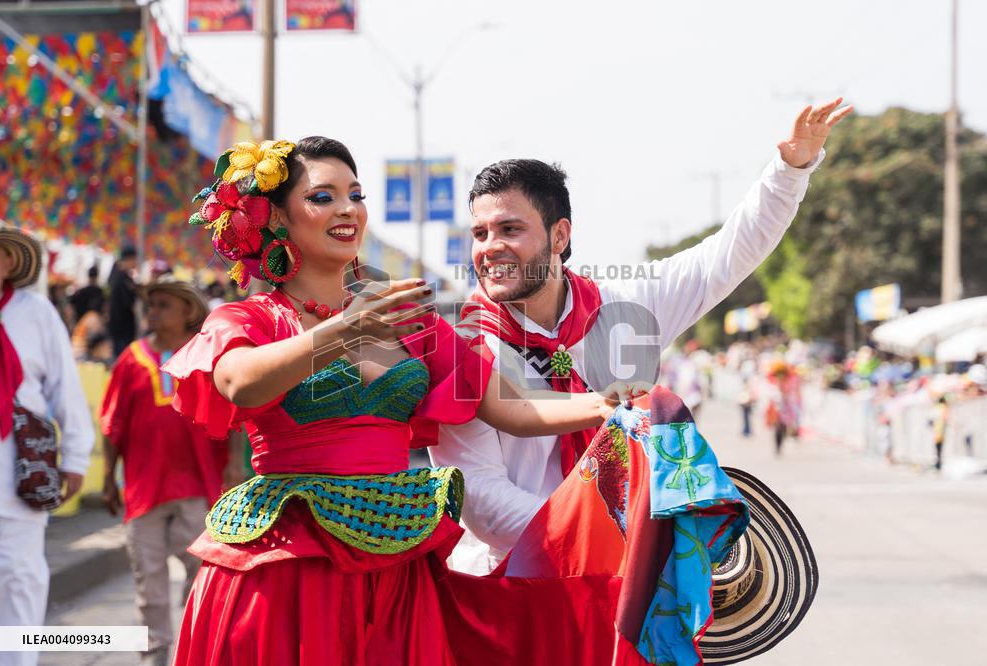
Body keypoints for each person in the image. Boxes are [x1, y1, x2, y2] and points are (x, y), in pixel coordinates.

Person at [164, 137, 648, 665]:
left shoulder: (408, 318)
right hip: (286, 561)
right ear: (277, 217)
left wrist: (603, 407)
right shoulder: (248, 319)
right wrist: (345, 331)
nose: (347, 209)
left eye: (356, 195)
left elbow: (510, 407)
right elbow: (240, 383)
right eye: (323, 197)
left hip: (394, 555)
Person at [431, 98, 852, 572]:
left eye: (510, 229)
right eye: (480, 233)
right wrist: (607, 536)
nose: (490, 248)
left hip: (628, 576)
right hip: (514, 581)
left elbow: (726, 255)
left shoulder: (624, 307)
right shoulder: (461, 346)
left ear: (559, 236)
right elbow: (480, 495)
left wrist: (790, 171)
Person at [100, 278, 245, 665]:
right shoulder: (132, 358)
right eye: (150, 305)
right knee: (149, 578)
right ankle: (155, 654)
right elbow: (113, 424)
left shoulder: (206, 354)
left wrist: (234, 462)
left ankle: (198, 647)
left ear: (187, 311)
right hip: (143, 488)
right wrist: (108, 479)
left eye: (163, 305)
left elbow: (232, 411)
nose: (153, 312)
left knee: (204, 568)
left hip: (196, 483)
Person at [0, 217, 94, 666]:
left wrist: (75, 459)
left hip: (19, 469)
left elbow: (65, 389)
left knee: (18, 578)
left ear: (8, 263)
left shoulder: (35, 313)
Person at [108, 246, 139, 357]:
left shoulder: (114, 274)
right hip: (123, 328)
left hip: (116, 327)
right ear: (129, 259)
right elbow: (129, 303)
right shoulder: (123, 278)